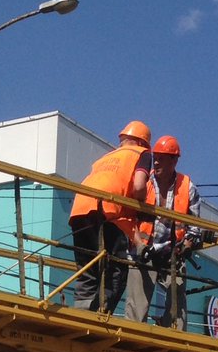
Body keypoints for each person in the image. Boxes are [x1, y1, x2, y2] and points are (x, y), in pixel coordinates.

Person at [68, 121, 153, 318]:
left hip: (79, 210)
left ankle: (81, 315)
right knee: (116, 270)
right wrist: (142, 205)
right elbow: (139, 186)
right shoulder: (142, 154)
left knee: (88, 270)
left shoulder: (106, 157)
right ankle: (101, 315)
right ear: (143, 142)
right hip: (105, 211)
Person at [139, 134, 203, 331]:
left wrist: (186, 246)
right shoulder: (146, 182)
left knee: (177, 293)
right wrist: (138, 245)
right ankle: (136, 329)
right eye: (155, 157)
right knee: (139, 294)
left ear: (174, 160)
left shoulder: (187, 187)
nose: (156, 161)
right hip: (145, 247)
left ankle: (175, 330)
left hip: (172, 251)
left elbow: (194, 226)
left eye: (162, 158)